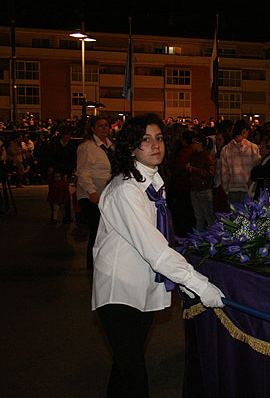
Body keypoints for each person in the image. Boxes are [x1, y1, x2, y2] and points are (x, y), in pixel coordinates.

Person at [92, 114, 225, 397]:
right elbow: (155, 249)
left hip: (141, 288)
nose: (156, 145)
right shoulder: (127, 189)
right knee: (135, 374)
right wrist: (198, 284)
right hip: (119, 290)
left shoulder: (153, 184)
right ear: (131, 148)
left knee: (124, 369)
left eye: (159, 138)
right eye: (146, 140)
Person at [76, 116, 113, 270]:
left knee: (107, 231)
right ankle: (92, 266)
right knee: (96, 230)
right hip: (92, 196)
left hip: (108, 195)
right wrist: (92, 192)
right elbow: (83, 172)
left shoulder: (111, 146)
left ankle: (104, 262)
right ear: (92, 128)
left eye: (106, 125)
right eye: (100, 126)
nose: (104, 128)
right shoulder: (87, 147)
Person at [220, 120, 260, 204]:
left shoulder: (225, 149)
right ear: (244, 131)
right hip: (248, 190)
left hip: (232, 190)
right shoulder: (253, 148)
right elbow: (256, 171)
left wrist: (226, 190)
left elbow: (224, 174)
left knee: (234, 216)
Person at [187, 134, 216, 230]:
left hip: (204, 190)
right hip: (195, 189)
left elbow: (211, 174)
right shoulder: (195, 155)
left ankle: (213, 239)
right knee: (199, 217)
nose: (192, 145)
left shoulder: (208, 156)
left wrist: (193, 170)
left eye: (193, 143)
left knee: (208, 217)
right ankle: (199, 239)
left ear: (200, 144)